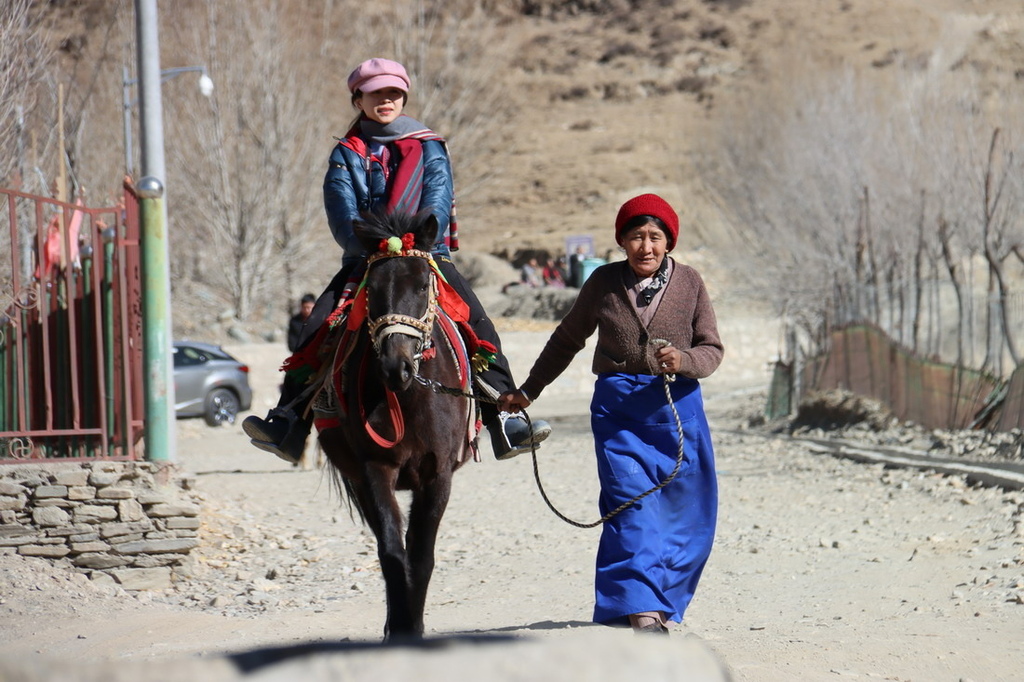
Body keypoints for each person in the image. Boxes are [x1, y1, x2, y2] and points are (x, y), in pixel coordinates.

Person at [243, 57, 550, 464]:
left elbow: (437, 200)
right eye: (376, 93)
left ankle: (503, 420)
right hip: (366, 258)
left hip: (427, 254)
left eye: (393, 93)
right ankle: (289, 422)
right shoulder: (346, 154)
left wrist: (418, 239)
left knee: (476, 323)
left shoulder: (431, 147)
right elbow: (341, 211)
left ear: (404, 97)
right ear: (359, 99)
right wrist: (373, 243)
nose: (385, 100)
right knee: (317, 326)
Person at [499, 194, 724, 634]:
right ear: (621, 240)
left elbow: (711, 348)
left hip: (678, 411)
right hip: (618, 411)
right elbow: (567, 340)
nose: (646, 246)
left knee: (689, 514)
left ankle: (662, 601)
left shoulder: (691, 283)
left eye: (655, 237)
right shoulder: (603, 283)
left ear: (668, 242)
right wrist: (528, 390)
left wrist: (685, 362)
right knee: (631, 505)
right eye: (636, 236)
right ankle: (641, 607)